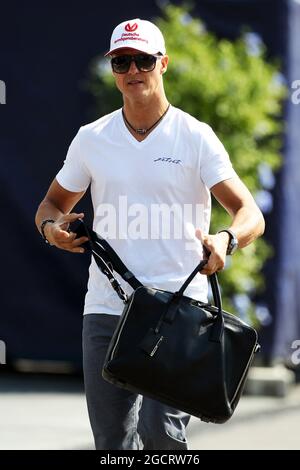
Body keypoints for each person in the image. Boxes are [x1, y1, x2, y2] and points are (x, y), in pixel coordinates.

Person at [35, 18, 265, 450]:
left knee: (162, 436)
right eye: (122, 62)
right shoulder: (92, 139)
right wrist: (52, 231)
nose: (132, 70)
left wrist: (226, 240)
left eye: (143, 60)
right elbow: (50, 206)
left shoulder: (196, 137)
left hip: (179, 311)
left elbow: (248, 211)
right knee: (112, 443)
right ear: (113, 69)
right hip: (107, 308)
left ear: (164, 64)